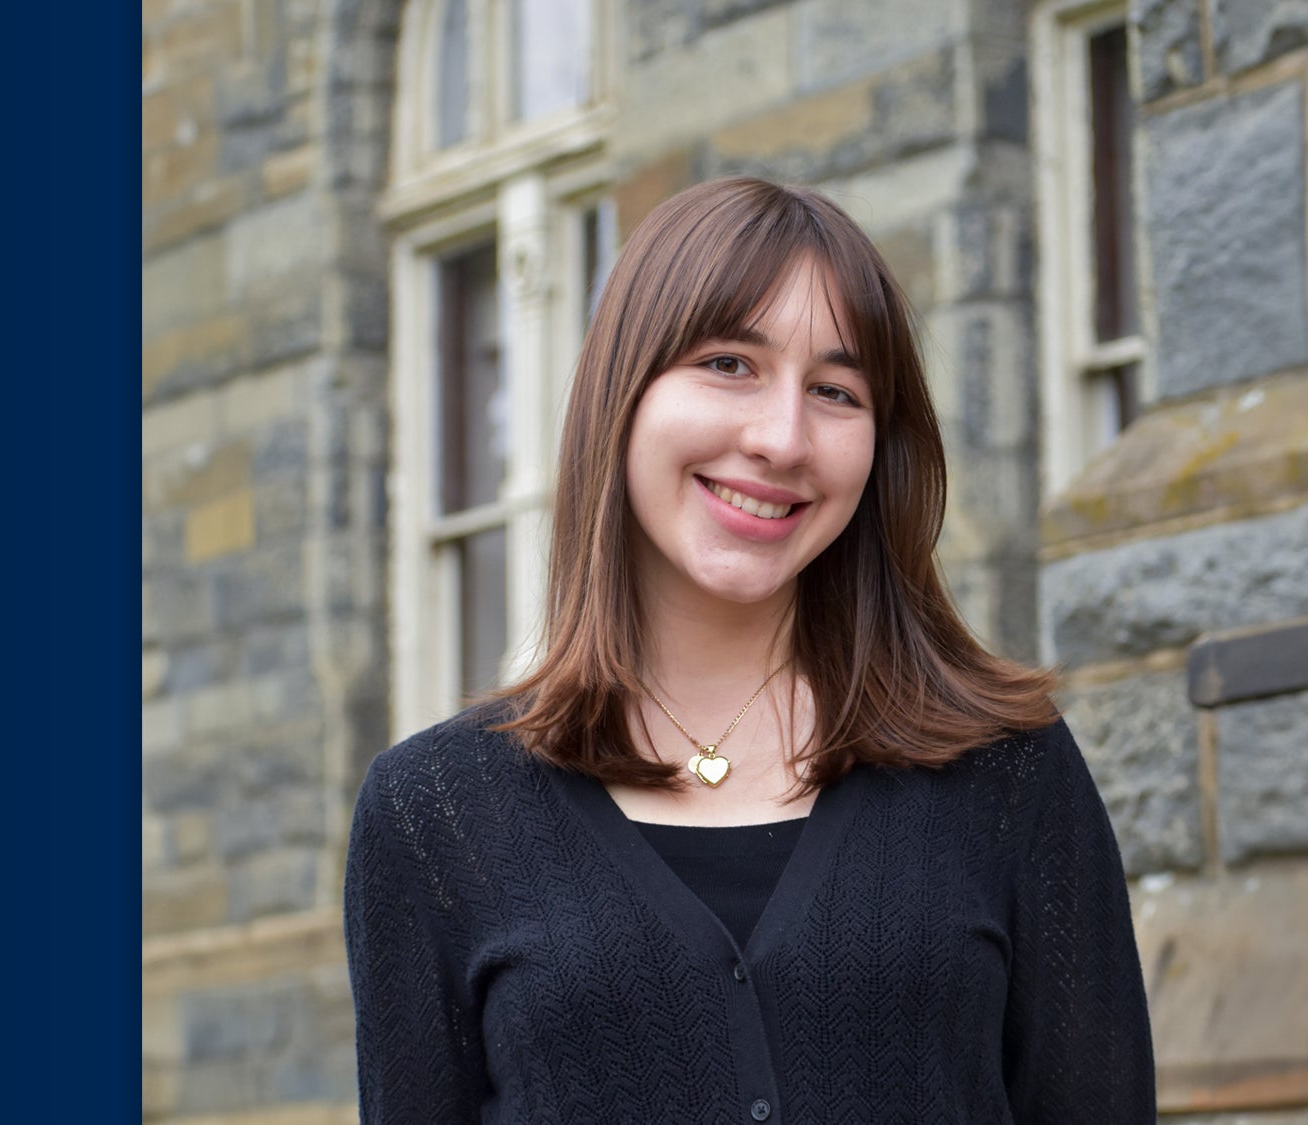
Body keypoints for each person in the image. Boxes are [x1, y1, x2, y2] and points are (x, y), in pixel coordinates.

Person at [345, 177, 1155, 1123]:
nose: (782, 437)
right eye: (729, 364)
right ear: (623, 394)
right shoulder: (431, 815)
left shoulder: (1007, 771)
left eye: (835, 391)